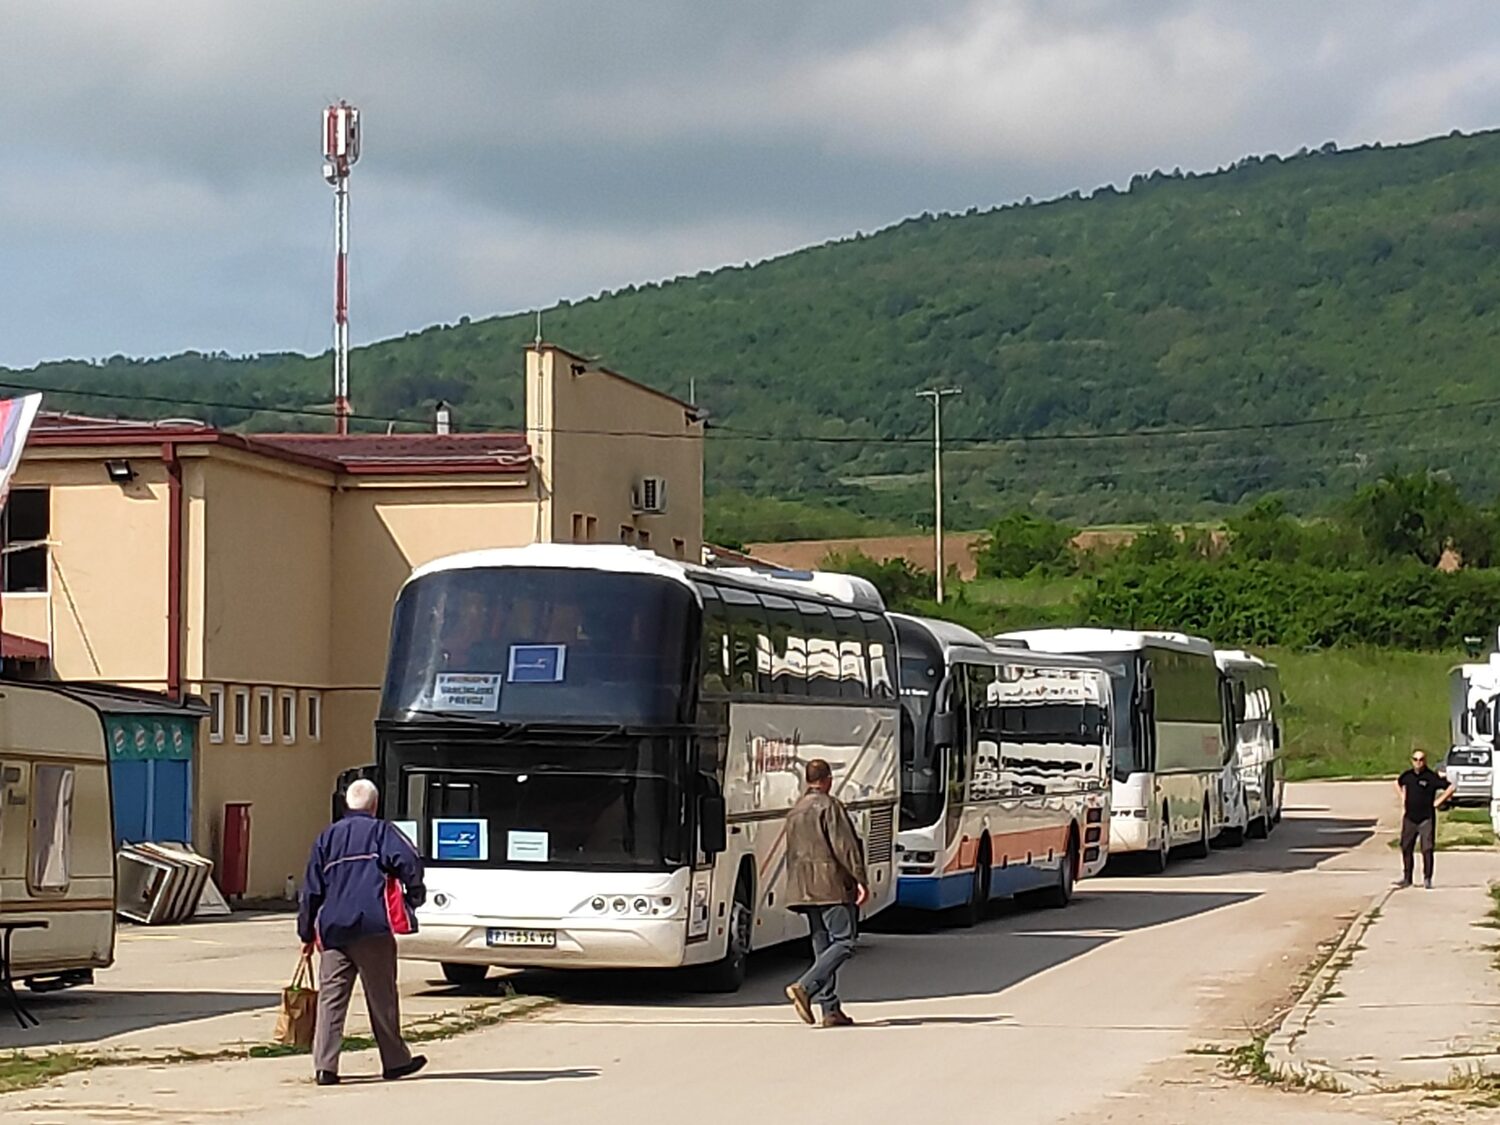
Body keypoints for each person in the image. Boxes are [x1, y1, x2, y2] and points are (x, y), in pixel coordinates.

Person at [297, 779, 429, 1086]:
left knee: (331, 999)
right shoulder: (382, 832)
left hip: (332, 929)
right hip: (373, 925)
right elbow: (410, 861)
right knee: (381, 995)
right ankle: (395, 1061)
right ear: (375, 804)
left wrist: (306, 933)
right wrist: (414, 898)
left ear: (346, 804)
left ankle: (325, 1067)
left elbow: (311, 891)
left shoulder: (325, 838)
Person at [784, 758, 868, 1028]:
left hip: (804, 888)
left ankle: (830, 1010)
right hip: (830, 886)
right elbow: (845, 846)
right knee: (845, 941)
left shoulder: (795, 810)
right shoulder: (830, 806)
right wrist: (860, 880)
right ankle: (805, 987)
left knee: (822, 946)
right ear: (828, 780)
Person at [1394, 749, 1456, 890]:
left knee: (1427, 848)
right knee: (1406, 846)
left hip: (1426, 818)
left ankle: (1427, 878)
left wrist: (1439, 801)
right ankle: (1407, 877)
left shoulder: (1431, 777)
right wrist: (1402, 797)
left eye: (1421, 759)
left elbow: (1451, 787)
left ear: (1425, 761)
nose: (1418, 762)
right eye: (1415, 759)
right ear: (1412, 761)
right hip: (1410, 817)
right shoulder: (1408, 776)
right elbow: (1397, 782)